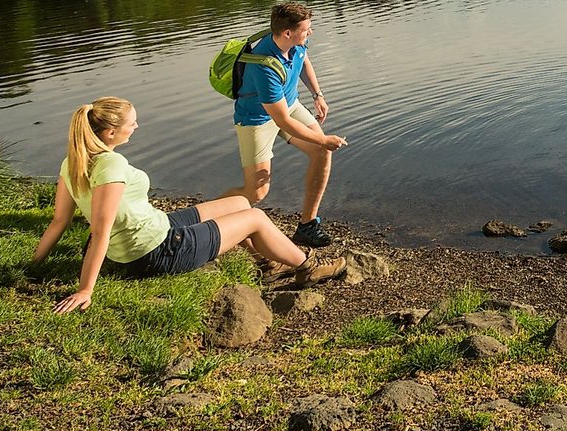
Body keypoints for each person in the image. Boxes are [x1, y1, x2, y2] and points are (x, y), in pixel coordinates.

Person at [32, 96, 344, 313]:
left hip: (154, 230)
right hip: (156, 253)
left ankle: (268, 262)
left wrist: (33, 266)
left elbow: (59, 220)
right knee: (257, 218)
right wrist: (86, 289)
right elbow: (100, 231)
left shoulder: (72, 162)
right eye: (132, 123)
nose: (136, 127)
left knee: (238, 201)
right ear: (111, 132)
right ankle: (308, 268)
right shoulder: (110, 166)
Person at [229, 2, 346, 247]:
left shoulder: (296, 42)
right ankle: (208, 214)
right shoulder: (264, 65)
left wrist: (317, 94)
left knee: (321, 154)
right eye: (306, 29)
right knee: (257, 192)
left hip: (287, 104)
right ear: (287, 33)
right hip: (256, 118)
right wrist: (324, 139)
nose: (310, 33)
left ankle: (307, 225)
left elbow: (303, 61)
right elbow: (282, 121)